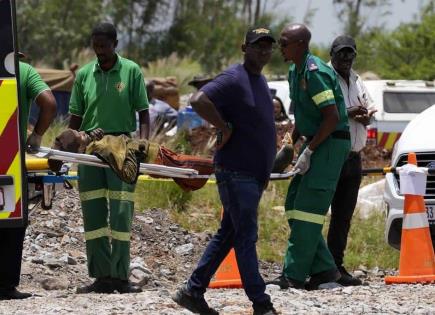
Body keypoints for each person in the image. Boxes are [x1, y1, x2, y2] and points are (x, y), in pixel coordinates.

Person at [172, 28, 278, 315]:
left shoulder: (260, 80)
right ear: (244, 47)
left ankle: (192, 291)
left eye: (268, 47)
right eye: (258, 46)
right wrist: (223, 125)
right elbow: (198, 100)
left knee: (229, 234)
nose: (264, 52)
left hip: (253, 175)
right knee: (246, 236)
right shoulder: (234, 78)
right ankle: (261, 303)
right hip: (236, 172)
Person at [267, 23, 351, 290]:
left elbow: (331, 117)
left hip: (329, 143)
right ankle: (325, 270)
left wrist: (310, 150)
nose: (280, 47)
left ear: (301, 45)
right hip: (316, 140)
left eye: (284, 42)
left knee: (308, 210)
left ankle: (293, 275)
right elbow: (304, 114)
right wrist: (291, 142)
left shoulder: (315, 72)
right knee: (294, 203)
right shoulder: (295, 70)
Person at [68, 22, 150, 294]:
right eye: (96, 46)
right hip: (90, 148)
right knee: (92, 212)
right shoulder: (83, 75)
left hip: (122, 146)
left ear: (115, 44)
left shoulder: (131, 71)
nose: (99, 51)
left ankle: (120, 276)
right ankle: (101, 276)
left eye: (104, 46)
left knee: (121, 211)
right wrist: (70, 144)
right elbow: (76, 118)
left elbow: (143, 112)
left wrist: (143, 145)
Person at [0, 58, 57, 300]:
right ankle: (5, 285)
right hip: (9, 157)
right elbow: (50, 103)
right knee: (11, 219)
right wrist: (36, 136)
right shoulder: (22, 71)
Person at [327, 35, 376, 286]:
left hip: (354, 157)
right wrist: (348, 113)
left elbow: (370, 109)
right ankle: (317, 268)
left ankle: (336, 266)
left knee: (343, 216)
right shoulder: (324, 77)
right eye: (341, 53)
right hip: (332, 157)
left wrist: (366, 116)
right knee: (315, 215)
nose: (345, 59)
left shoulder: (357, 80)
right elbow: (322, 115)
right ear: (332, 53)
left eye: (350, 54)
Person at [49, 128, 214, 191]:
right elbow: (128, 174)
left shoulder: (93, 144)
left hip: (157, 154)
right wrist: (134, 152)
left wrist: (94, 135)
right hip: (156, 157)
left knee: (202, 170)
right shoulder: (100, 150)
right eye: (80, 135)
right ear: (78, 146)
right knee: (209, 166)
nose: (83, 132)